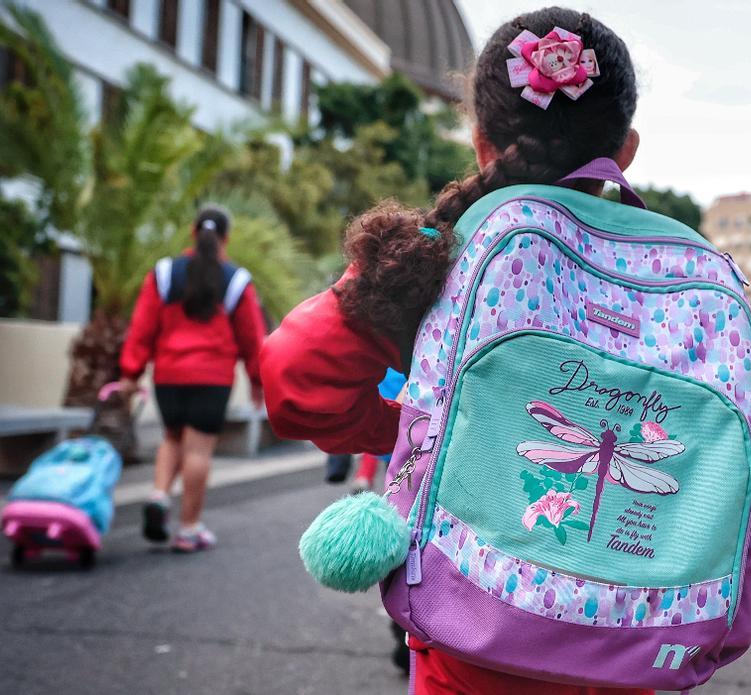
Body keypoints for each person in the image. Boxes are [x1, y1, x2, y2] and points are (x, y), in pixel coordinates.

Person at [260, 8, 653, 694]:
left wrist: (414, 434)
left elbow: (295, 377)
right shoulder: (670, 279)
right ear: (627, 150)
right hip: (631, 637)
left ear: (479, 142)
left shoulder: (439, 263)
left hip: (475, 629)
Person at [119, 205, 266, 552]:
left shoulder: (164, 273)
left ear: (193, 231)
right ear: (226, 238)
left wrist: (130, 373)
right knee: (198, 450)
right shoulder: (236, 281)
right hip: (212, 379)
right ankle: (188, 529)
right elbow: (252, 337)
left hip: (168, 375)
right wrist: (258, 380)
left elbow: (142, 328)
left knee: (172, 438)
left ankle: (158, 494)